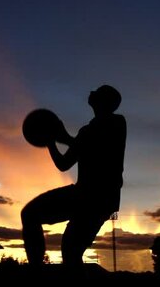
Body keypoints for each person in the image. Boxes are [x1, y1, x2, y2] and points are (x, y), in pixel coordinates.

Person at [21, 85, 127, 274]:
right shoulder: (87, 130)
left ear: (105, 101)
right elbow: (63, 164)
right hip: (85, 195)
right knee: (33, 217)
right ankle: (36, 270)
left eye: (98, 92)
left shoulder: (116, 123)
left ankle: (37, 273)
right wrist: (51, 142)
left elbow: (94, 147)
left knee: (69, 250)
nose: (92, 92)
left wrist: (64, 138)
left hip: (97, 198)